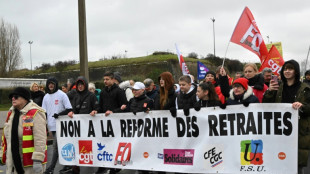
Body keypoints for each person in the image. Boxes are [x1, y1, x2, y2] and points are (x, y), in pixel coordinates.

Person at [263, 60, 310, 173]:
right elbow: (266, 105)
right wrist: (269, 91)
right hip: (280, 131)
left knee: (296, 165)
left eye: (290, 69)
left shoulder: (305, 88)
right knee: (280, 162)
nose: (287, 71)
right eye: (285, 69)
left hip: (299, 131)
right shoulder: (278, 87)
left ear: (296, 71)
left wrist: (302, 106)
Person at [0, 87, 47, 174]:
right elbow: (6, 137)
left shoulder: (35, 112)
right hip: (14, 161)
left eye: (16, 96)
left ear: (25, 98)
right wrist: (3, 155)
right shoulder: (11, 113)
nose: (13, 98)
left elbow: (40, 138)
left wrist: (38, 159)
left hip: (30, 163)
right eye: (12, 97)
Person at [97, 72, 127, 174]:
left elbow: (124, 106)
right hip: (105, 124)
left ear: (113, 79)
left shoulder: (119, 91)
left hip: (117, 123)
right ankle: (104, 165)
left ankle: (116, 165)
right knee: (106, 144)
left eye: (107, 79)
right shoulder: (102, 92)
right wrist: (96, 111)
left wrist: (114, 112)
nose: (105, 81)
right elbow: (100, 107)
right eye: (104, 79)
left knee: (116, 144)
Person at [68, 76, 100, 174]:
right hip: (79, 127)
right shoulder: (76, 96)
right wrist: (71, 112)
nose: (80, 86)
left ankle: (92, 168)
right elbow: (74, 109)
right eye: (78, 85)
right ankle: (76, 167)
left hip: (90, 128)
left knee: (90, 147)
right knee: (77, 146)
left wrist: (95, 111)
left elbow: (98, 107)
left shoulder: (91, 95)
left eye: (82, 85)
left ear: (85, 85)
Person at [42, 77, 73, 174]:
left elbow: (69, 109)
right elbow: (44, 112)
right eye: (49, 84)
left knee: (56, 147)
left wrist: (59, 114)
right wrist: (45, 126)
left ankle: (51, 168)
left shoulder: (62, 95)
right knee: (62, 146)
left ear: (55, 84)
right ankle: (68, 165)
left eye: (52, 83)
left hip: (62, 125)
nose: (50, 85)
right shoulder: (46, 96)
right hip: (52, 126)